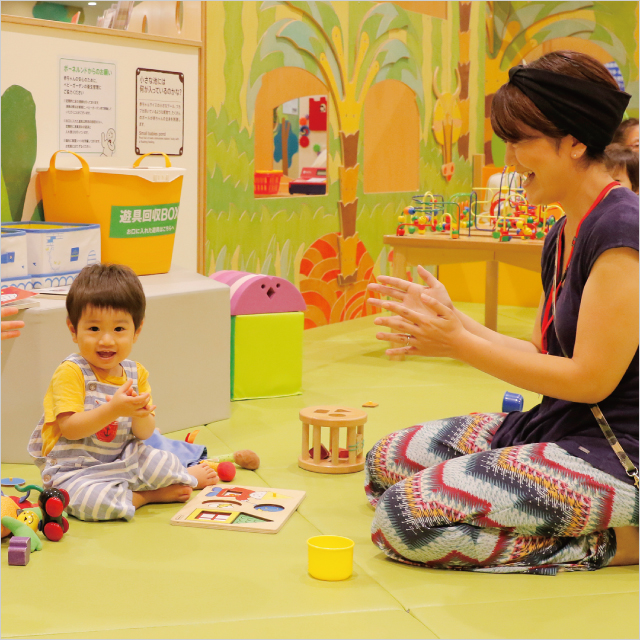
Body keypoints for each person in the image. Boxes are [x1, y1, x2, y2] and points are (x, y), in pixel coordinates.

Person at [365, 51, 639, 574]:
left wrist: (459, 344)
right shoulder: (563, 231)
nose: (509, 159)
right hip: (557, 424)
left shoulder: (621, 231)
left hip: (614, 452)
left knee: (403, 519)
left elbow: (590, 380)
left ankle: (613, 543)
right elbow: (541, 352)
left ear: (574, 142)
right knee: (386, 462)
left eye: (519, 141)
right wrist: (454, 321)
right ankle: (545, 510)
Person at [27, 263, 218, 521]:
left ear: (136, 331)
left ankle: (180, 475)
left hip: (123, 459)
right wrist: (113, 409)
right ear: (73, 330)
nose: (106, 340)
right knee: (89, 502)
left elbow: (145, 434)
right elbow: (70, 429)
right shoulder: (71, 372)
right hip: (75, 471)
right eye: (94, 329)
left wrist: (140, 414)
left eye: (119, 329)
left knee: (162, 461)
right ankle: (144, 497)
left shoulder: (135, 373)